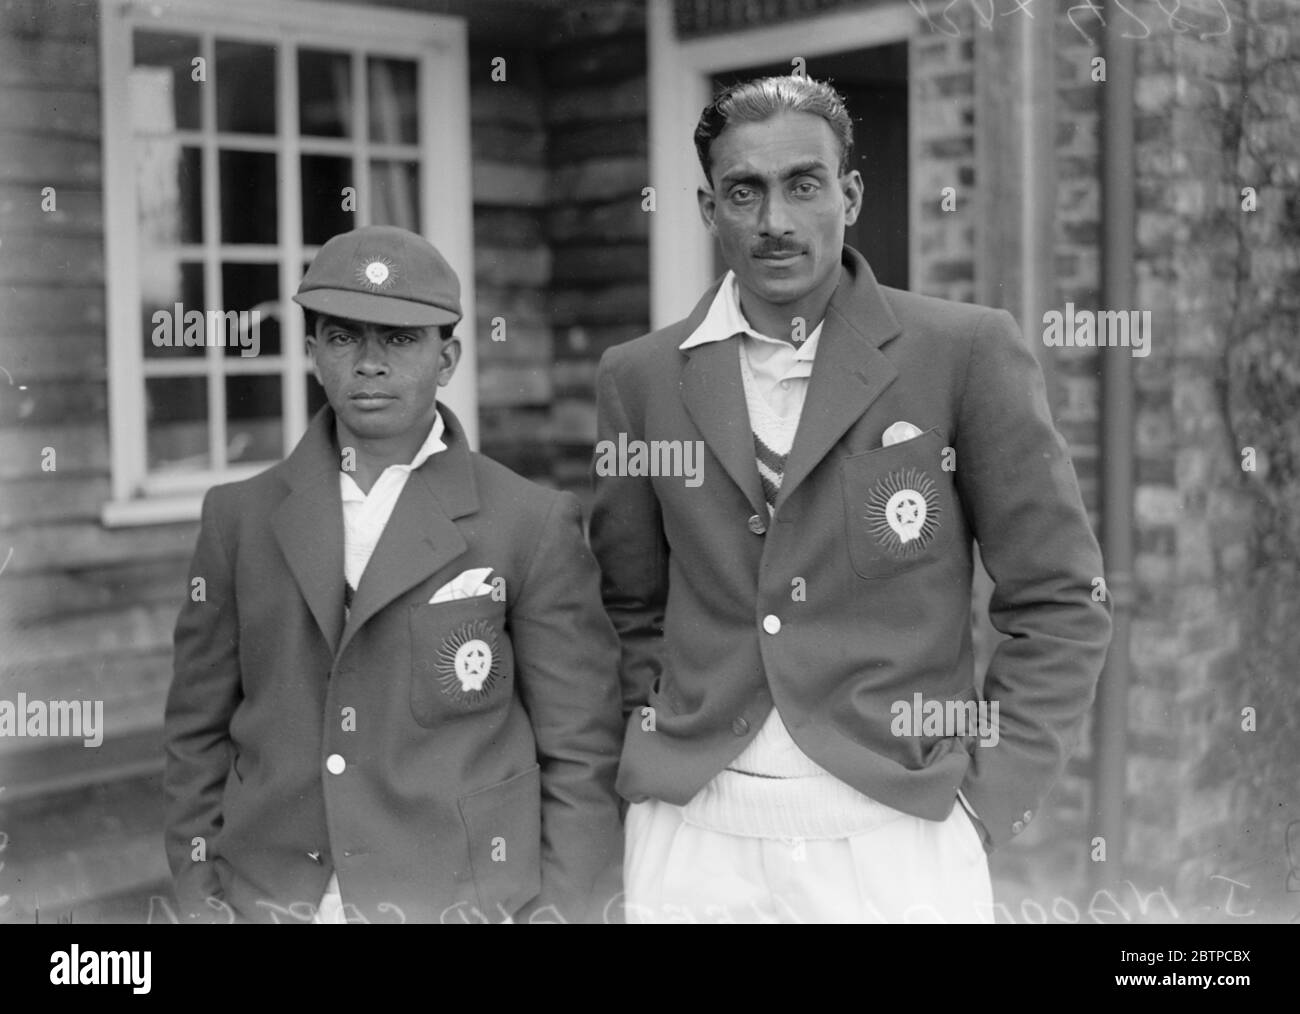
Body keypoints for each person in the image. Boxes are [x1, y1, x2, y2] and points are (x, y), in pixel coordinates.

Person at [590, 76, 1113, 923]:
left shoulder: (962, 352)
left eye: (804, 184)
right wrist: (658, 753)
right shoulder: (640, 377)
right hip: (694, 841)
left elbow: (1061, 601)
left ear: (851, 194)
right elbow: (628, 604)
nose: (775, 222)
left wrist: (988, 794)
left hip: (896, 834)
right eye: (744, 191)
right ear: (706, 207)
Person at [165, 225, 623, 924]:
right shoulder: (238, 518)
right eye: (344, 337)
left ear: (448, 358)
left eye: (400, 339)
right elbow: (195, 735)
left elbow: (580, 756)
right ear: (312, 352)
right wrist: (201, 901)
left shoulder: (528, 522)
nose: (370, 363)